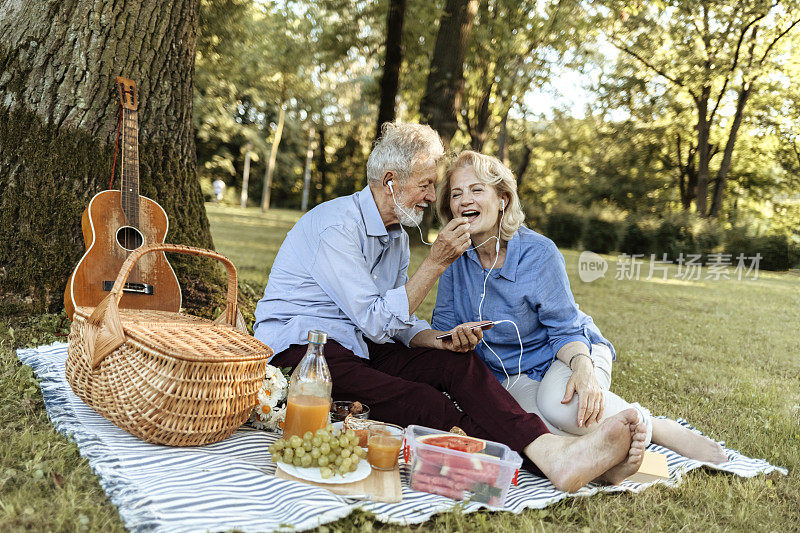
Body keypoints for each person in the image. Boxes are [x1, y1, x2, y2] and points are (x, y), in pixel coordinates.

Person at [254, 123, 648, 491]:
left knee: (457, 364)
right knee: (424, 402)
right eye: (426, 185)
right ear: (390, 182)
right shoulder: (335, 227)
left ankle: (553, 453)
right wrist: (437, 261)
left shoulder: (394, 238)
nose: (431, 196)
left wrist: (440, 342)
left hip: (359, 345)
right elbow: (376, 320)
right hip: (306, 353)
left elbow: (398, 321)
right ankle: (545, 460)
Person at [432, 150, 728, 471]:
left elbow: (566, 329)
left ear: (502, 199)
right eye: (456, 194)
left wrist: (583, 368)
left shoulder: (539, 253)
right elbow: (443, 327)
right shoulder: (450, 257)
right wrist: (453, 339)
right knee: (537, 435)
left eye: (477, 190)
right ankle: (636, 466)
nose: (464, 200)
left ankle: (655, 427)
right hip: (513, 374)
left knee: (560, 409)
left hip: (570, 352)